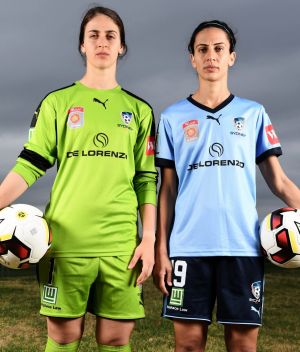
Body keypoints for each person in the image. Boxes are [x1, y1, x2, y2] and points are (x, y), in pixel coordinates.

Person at [0, 6, 157, 352]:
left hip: (122, 246)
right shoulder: (57, 103)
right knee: (63, 338)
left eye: (110, 36)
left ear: (122, 47)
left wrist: (149, 239)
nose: (102, 42)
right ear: (83, 46)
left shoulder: (140, 111)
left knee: (115, 340)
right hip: (66, 243)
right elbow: (30, 164)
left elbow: (147, 179)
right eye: (94, 35)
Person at [153, 20, 300, 352]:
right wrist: (161, 250)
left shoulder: (253, 113)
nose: (211, 56)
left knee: (243, 346)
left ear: (231, 56)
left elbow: (278, 182)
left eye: (219, 49)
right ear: (192, 58)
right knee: (188, 345)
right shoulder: (173, 117)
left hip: (242, 247)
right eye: (202, 49)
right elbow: (168, 190)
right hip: (188, 249)